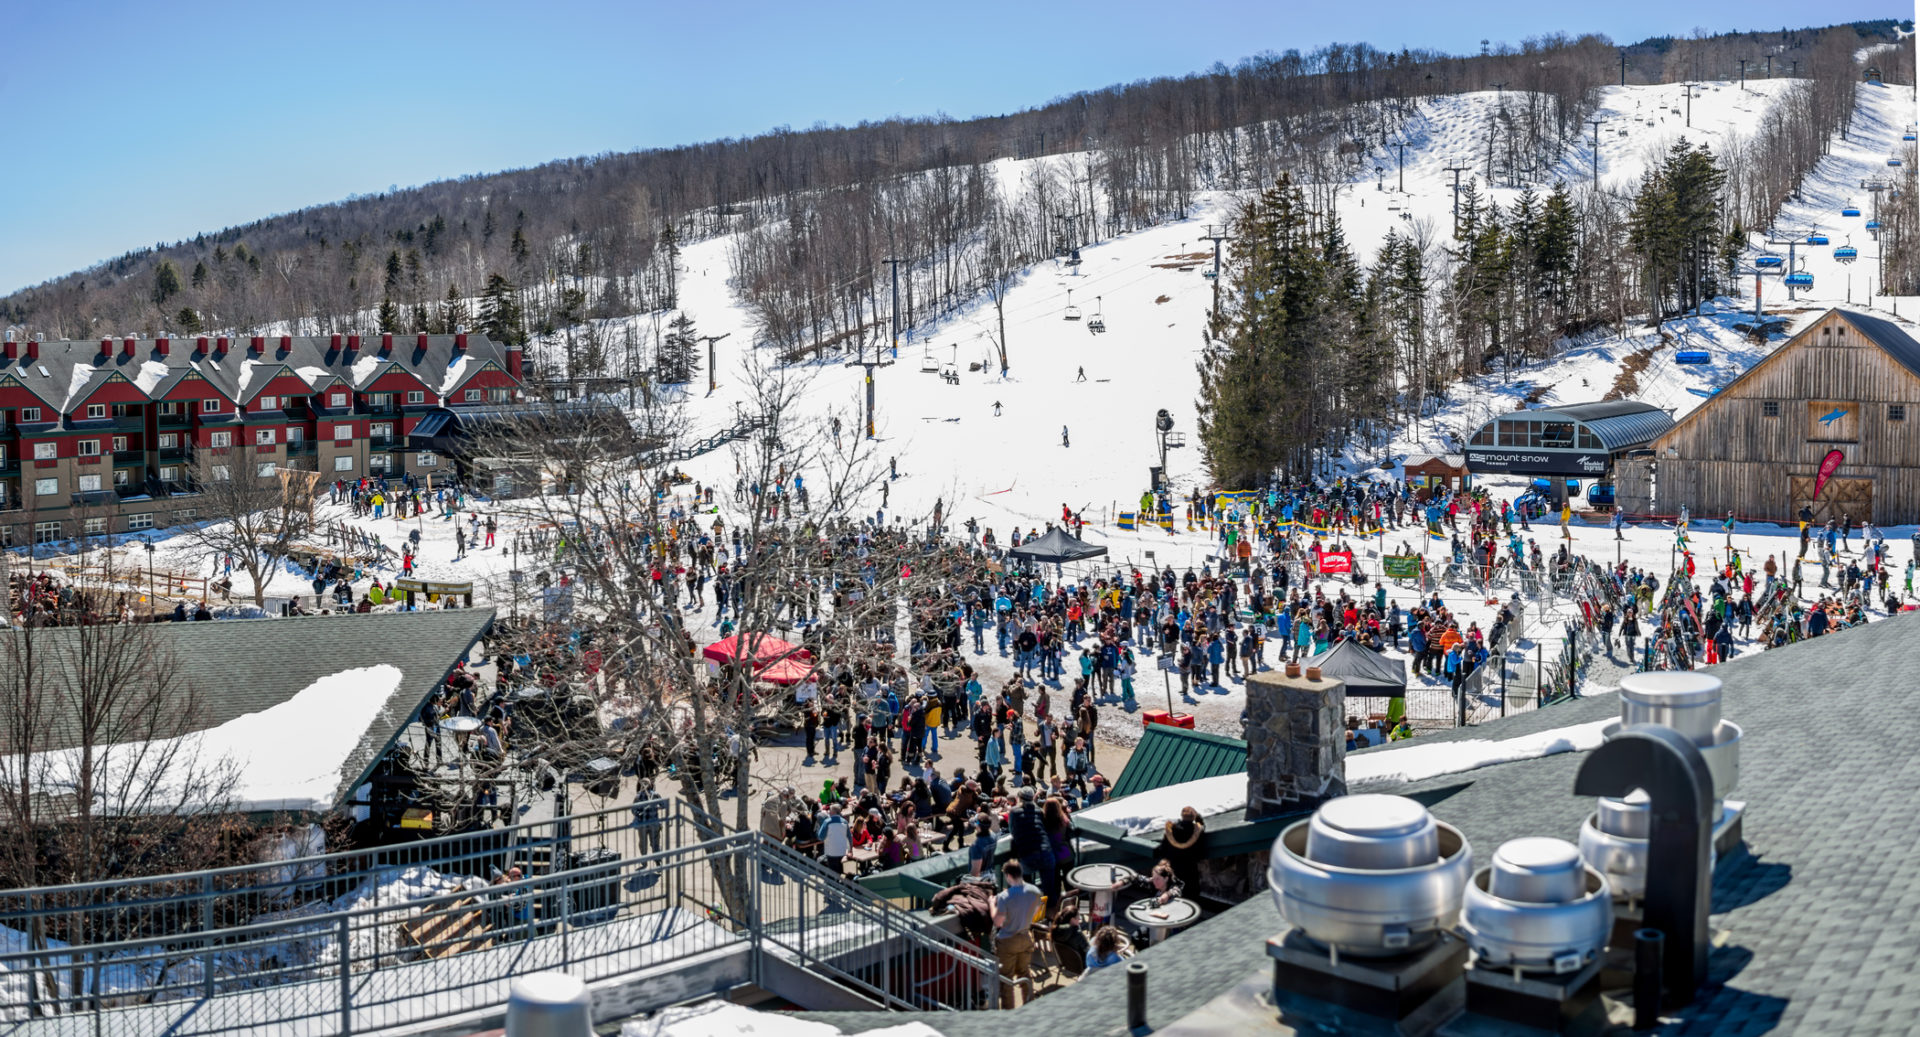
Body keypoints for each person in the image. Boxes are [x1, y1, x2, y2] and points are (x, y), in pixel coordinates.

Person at [992, 860, 1043, 1006]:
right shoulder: (1035, 891)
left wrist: (991, 905)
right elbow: (1035, 913)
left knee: (1006, 980)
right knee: (1024, 974)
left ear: (1008, 876)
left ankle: (1010, 1012)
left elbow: (998, 922)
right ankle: (1029, 1005)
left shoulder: (1004, 896)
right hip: (1025, 937)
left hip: (1007, 941)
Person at [817, 803, 852, 876]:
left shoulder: (827, 822)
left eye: (830, 810)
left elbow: (820, 837)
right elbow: (849, 837)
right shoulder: (845, 822)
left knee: (832, 871)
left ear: (833, 812)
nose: (829, 812)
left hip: (831, 851)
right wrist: (850, 850)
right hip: (842, 851)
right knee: (839, 869)